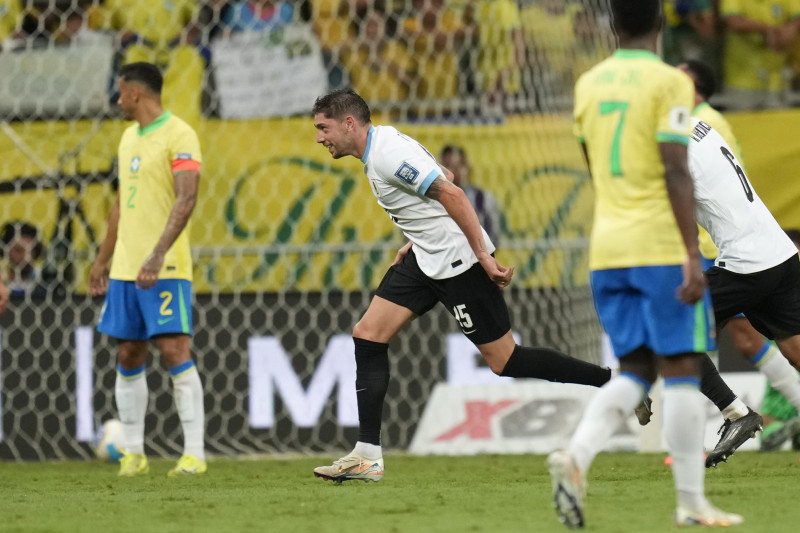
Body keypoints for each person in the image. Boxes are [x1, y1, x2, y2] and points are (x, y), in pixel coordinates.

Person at [310, 88, 623, 484]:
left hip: (458, 263)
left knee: (505, 360)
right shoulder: (383, 144)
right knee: (368, 335)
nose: (320, 138)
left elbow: (454, 192)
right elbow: (447, 176)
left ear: (349, 123)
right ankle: (367, 456)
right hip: (426, 258)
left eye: (324, 128)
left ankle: (613, 383)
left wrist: (484, 255)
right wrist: (414, 238)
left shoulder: (387, 154)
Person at [548, 0, 742, 528]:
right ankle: (691, 503)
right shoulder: (669, 83)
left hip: (607, 250)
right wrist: (688, 253)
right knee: (681, 370)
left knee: (635, 370)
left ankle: (577, 456)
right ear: (659, 23)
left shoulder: (588, 85)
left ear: (612, 24)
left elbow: (595, 167)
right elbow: (676, 171)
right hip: (659, 248)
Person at [679, 59, 800, 465]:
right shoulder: (704, 125)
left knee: (674, 333)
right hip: (778, 250)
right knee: (794, 346)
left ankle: (736, 413)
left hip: (744, 259)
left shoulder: (673, 141)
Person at [89, 62, 206, 477]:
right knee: (128, 351)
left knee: (174, 349)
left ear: (135, 93)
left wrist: (157, 254)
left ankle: (194, 454)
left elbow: (186, 198)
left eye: (119, 91)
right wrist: (103, 259)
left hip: (165, 265)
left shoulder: (180, 134)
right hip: (124, 267)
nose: (116, 99)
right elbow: (120, 206)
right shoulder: (126, 139)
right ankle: (134, 455)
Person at [720, 0, 800, 109]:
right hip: (742, 80)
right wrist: (767, 30)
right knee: (742, 124)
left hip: (779, 81)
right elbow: (733, 21)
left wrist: (791, 28)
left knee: (780, 124)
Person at [439, 145, 502, 244]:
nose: (454, 171)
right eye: (448, 166)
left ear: (468, 168)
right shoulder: (428, 201)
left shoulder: (484, 199)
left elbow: (494, 236)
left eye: (460, 165)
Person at [0, 221, 47, 298]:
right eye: (19, 250)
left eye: (31, 251)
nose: (27, 258)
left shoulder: (45, 286)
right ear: (4, 252)